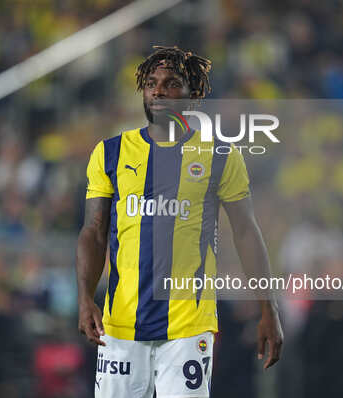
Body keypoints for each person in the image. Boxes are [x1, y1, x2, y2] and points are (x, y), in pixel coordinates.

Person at [76, 46, 283, 398]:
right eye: (152, 83)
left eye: (172, 83)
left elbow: (246, 232)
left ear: (193, 95)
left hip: (189, 325)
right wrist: (85, 298)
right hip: (121, 324)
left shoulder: (220, 154)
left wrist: (268, 308)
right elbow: (94, 232)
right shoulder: (110, 152)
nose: (159, 91)